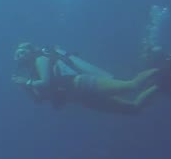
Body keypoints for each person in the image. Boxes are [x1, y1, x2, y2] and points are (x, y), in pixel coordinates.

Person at [12, 42, 159, 114]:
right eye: (18, 54)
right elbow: (38, 100)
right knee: (132, 108)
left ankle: (159, 71)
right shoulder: (31, 75)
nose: (20, 55)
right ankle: (160, 84)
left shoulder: (40, 60)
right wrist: (26, 86)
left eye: (23, 51)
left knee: (131, 85)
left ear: (31, 52)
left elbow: (46, 82)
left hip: (80, 84)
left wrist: (28, 82)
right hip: (82, 98)